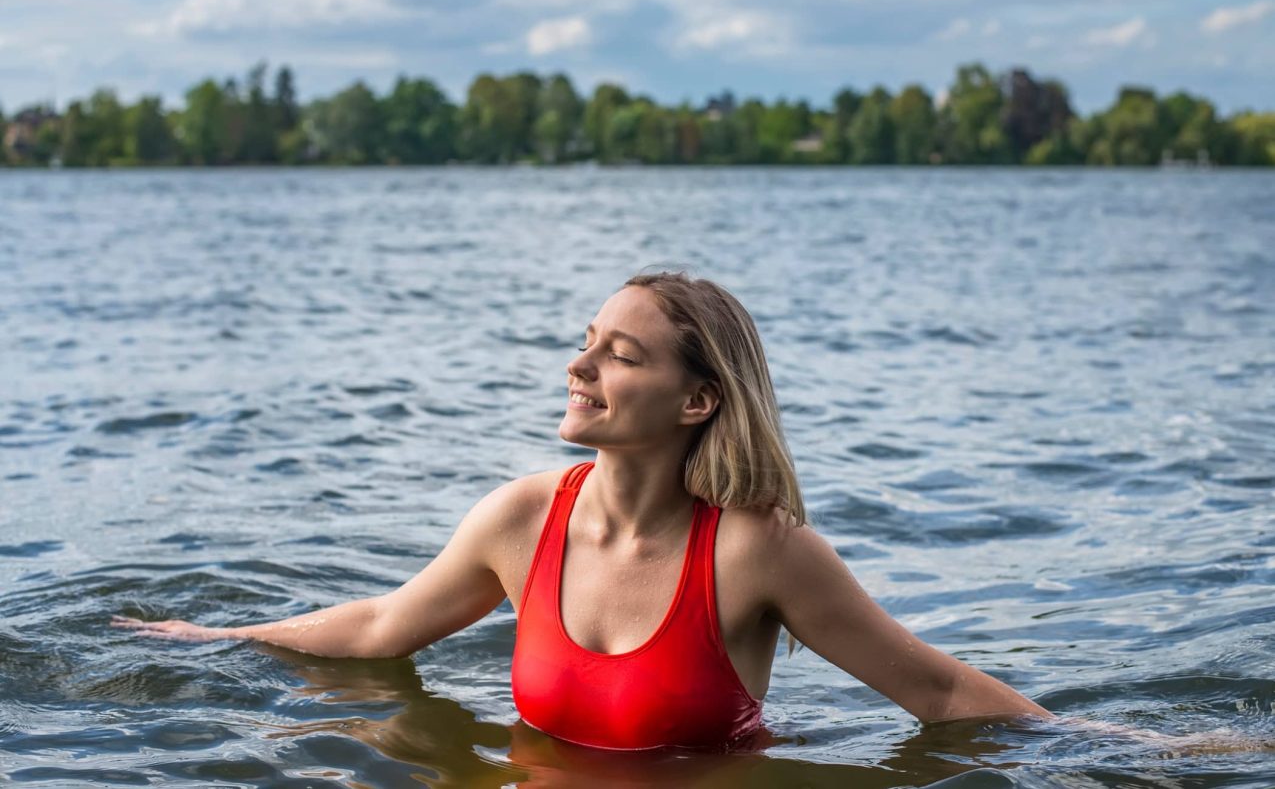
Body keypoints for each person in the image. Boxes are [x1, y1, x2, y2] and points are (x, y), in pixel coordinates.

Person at [113, 271, 1051, 750]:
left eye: (620, 355)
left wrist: (1152, 753)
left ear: (697, 401)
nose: (579, 366)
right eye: (585, 343)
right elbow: (380, 627)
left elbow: (937, 692)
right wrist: (212, 637)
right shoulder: (520, 520)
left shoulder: (760, 550)